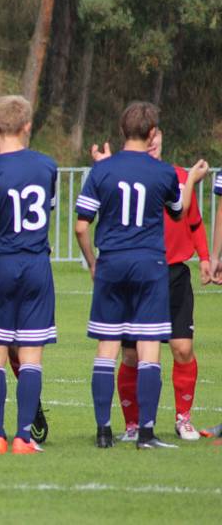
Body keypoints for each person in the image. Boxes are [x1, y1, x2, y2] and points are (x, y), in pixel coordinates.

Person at [75, 101, 208, 450]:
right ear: (152, 134)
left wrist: (92, 263)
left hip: (112, 263)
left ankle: (104, 432)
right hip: (149, 265)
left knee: (108, 347)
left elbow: (79, 227)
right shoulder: (163, 171)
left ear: (121, 132)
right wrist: (191, 181)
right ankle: (146, 434)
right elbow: (178, 213)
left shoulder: (101, 170)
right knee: (149, 349)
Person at [0, 95, 58, 455]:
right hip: (36, 263)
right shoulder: (47, 166)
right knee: (30, 356)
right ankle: (24, 437)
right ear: (27, 126)